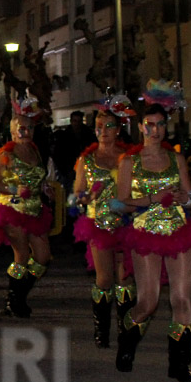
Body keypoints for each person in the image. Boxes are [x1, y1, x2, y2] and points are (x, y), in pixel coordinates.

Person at [114, 82, 191, 382]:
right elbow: (120, 203)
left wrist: (185, 199)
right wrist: (153, 198)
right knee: (148, 302)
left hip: (179, 230)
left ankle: (179, 363)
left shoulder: (176, 160)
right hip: (145, 233)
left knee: (181, 299)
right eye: (150, 125)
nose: (156, 130)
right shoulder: (130, 163)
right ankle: (127, 340)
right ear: (141, 128)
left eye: (160, 125)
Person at [0, 96, 52, 317]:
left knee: (43, 257)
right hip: (12, 210)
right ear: (12, 130)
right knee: (21, 255)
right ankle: (15, 300)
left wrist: (44, 186)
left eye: (29, 127)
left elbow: (38, 176)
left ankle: (18, 295)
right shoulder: (6, 154)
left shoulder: (35, 151)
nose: (25, 132)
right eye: (21, 128)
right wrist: (14, 190)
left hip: (35, 209)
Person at [72, 96, 134, 348]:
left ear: (118, 129)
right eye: (99, 126)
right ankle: (102, 328)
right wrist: (85, 197)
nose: (103, 131)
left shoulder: (130, 157)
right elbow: (76, 194)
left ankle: (125, 327)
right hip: (99, 225)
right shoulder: (86, 160)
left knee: (125, 278)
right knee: (105, 278)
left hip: (128, 223)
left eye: (109, 126)